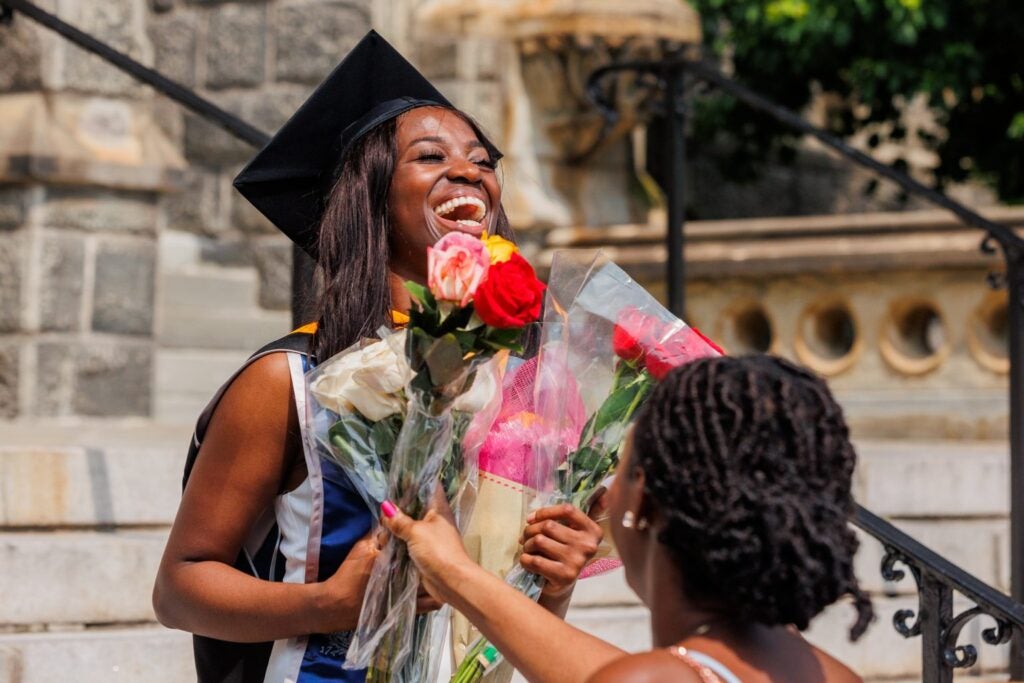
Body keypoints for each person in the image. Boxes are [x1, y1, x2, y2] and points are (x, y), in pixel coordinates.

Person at [152, 31, 603, 682]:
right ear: (371, 196)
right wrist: (329, 602)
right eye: (430, 154)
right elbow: (178, 588)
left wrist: (551, 578)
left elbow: (488, 617)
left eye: (481, 158)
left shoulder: (510, 387)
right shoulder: (290, 380)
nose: (469, 169)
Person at [382, 355, 875, 683]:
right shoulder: (834, 675)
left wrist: (453, 572)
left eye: (620, 470)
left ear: (645, 501)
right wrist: (458, 574)